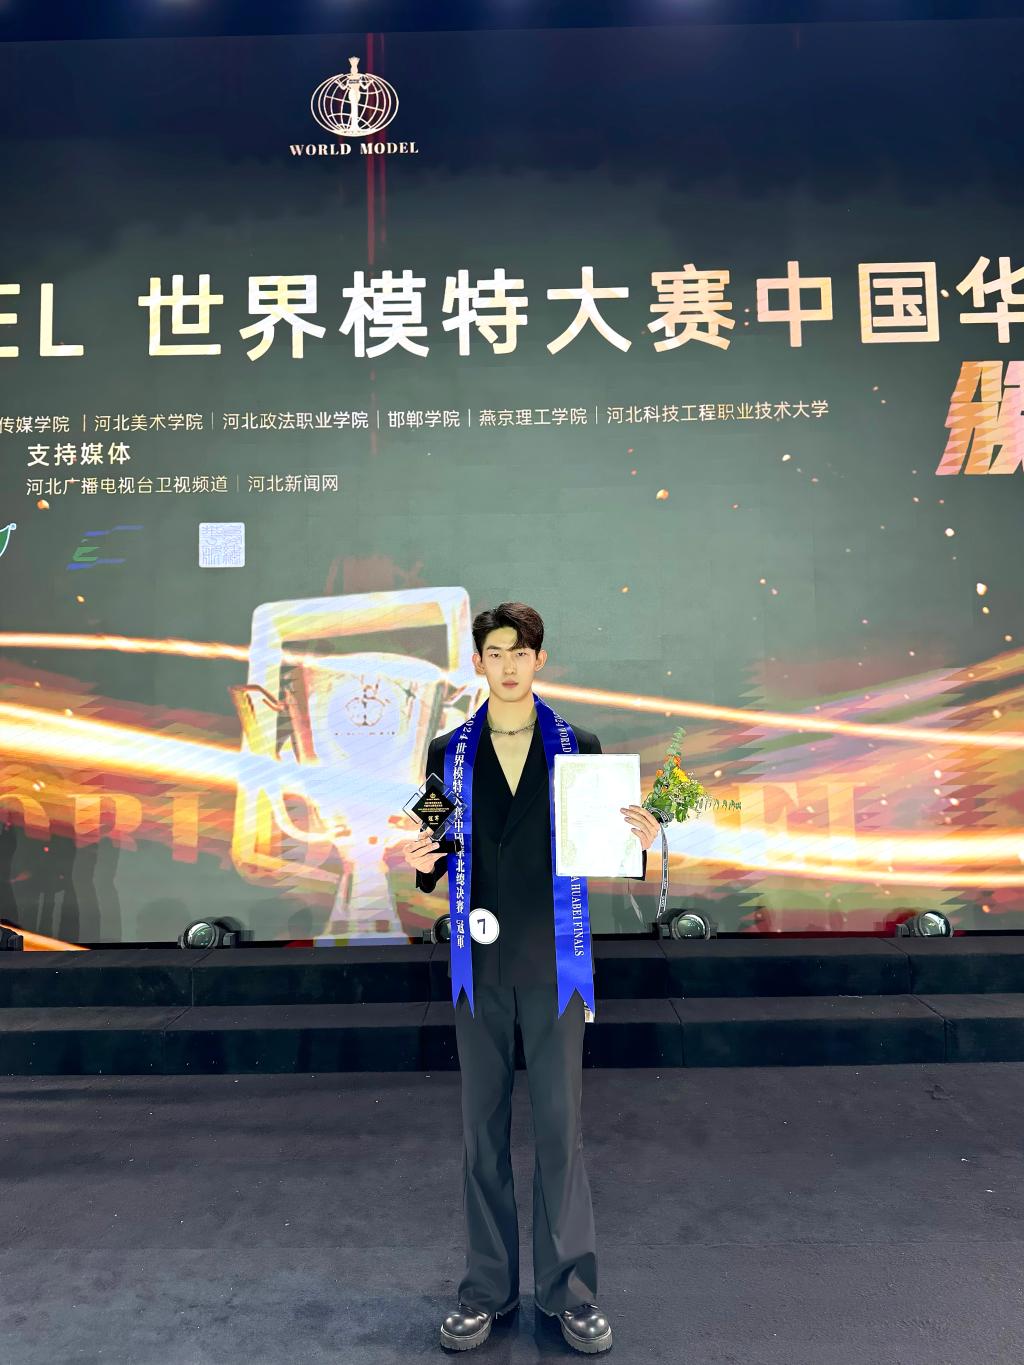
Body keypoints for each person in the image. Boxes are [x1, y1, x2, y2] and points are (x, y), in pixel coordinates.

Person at [403, 602, 659, 1354]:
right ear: (478, 662)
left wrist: (641, 843)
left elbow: (608, 856)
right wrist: (422, 863)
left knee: (559, 1132)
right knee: (480, 1137)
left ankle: (570, 1293)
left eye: (521, 651)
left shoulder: (581, 749)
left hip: (555, 966)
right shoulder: (447, 753)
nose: (508, 664)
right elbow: (436, 854)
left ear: (540, 659)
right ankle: (485, 1290)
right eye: (495, 652)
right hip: (477, 968)